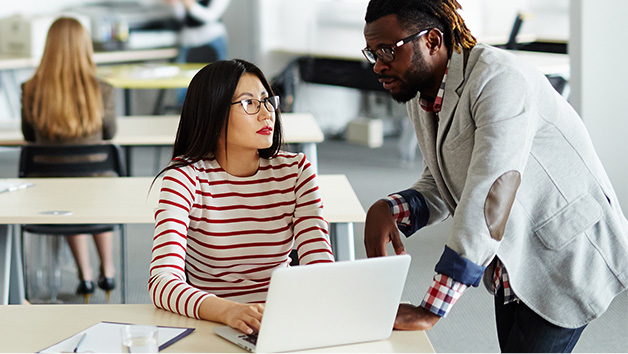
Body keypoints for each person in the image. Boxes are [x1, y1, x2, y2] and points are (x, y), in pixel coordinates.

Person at [361, 0, 628, 352]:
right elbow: (443, 179)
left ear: (432, 41)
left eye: (387, 51)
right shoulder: (421, 91)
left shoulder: (499, 80)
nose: (378, 65)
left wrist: (431, 308)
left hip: (566, 252)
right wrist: (392, 209)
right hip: (510, 254)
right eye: (371, 52)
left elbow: (489, 194)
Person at [149, 59, 334, 335]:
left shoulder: (296, 171)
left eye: (267, 100)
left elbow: (319, 267)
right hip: (211, 326)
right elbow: (162, 281)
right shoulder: (184, 177)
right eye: (249, 103)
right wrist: (228, 311)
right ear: (212, 114)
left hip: (279, 325)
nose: (267, 113)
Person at [21, 17, 117, 302]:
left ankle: (85, 274)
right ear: (85, 48)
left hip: (50, 188)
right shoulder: (102, 88)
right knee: (92, 190)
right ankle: (108, 269)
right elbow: (110, 132)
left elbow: (29, 135)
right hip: (97, 184)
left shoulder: (31, 88)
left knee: (66, 193)